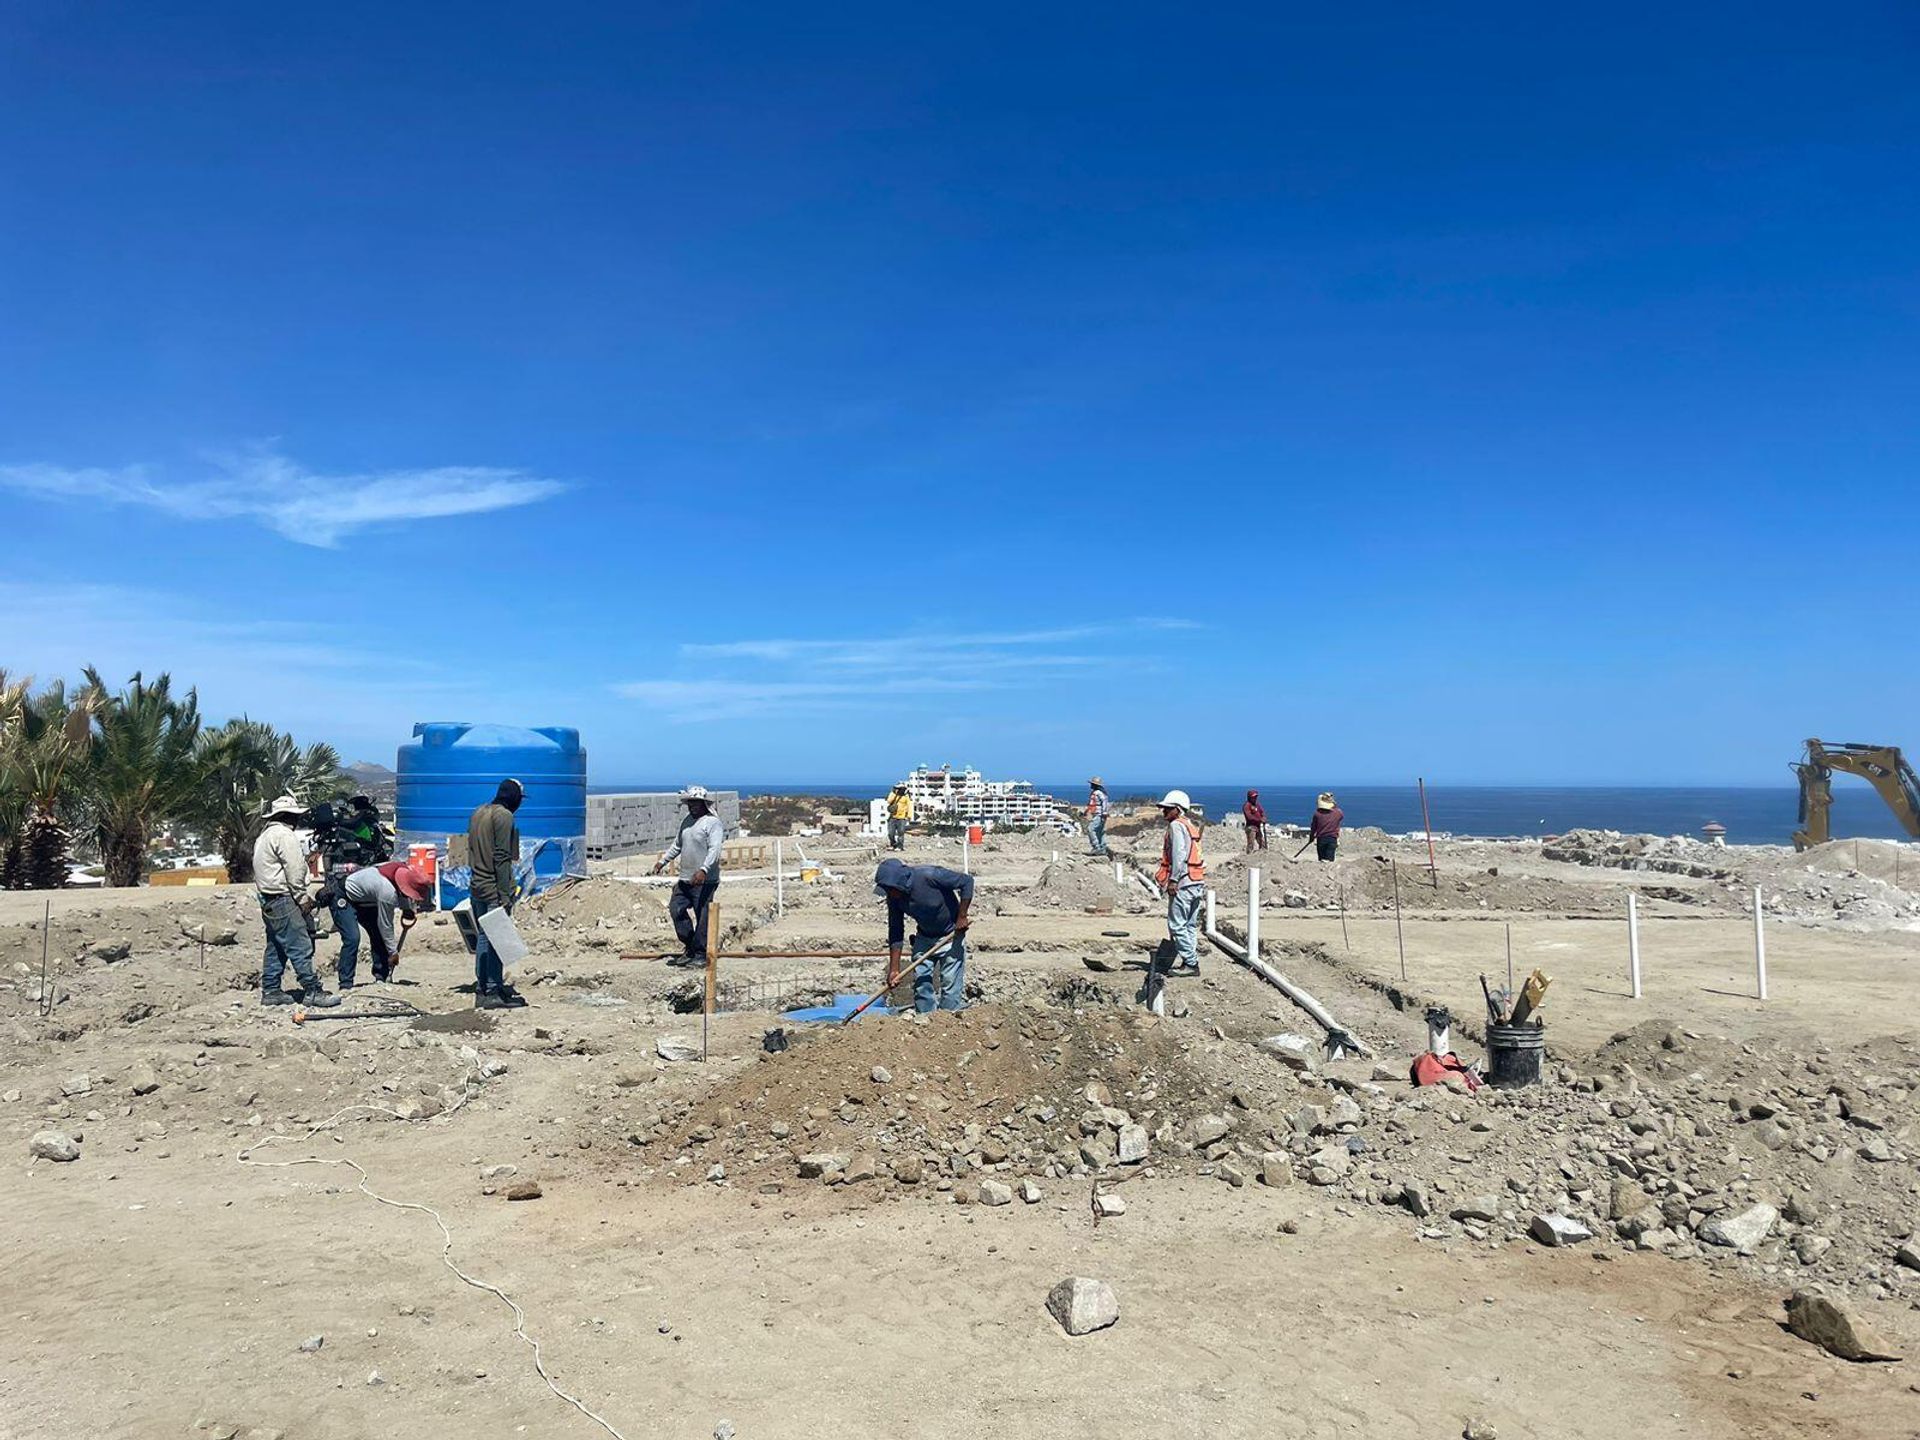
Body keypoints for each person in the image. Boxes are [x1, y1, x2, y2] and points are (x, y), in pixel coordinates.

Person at [252, 795, 339, 1008]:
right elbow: (295, 870)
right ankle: (313, 991)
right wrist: (302, 898)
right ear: (289, 817)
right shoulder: (284, 835)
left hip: (268, 899)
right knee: (299, 945)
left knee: (276, 946)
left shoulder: (264, 836)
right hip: (283, 898)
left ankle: (271, 990)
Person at [873, 856, 973, 1014]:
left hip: (950, 934)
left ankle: (948, 1022)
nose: (888, 894)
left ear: (900, 882)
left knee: (949, 981)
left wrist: (962, 916)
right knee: (921, 982)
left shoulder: (930, 876)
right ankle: (925, 1020)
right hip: (924, 937)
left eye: (889, 890)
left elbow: (967, 882)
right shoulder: (894, 899)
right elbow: (896, 930)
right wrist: (894, 969)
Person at [468, 778, 527, 1009]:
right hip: (493, 887)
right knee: (494, 939)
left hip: (477, 884)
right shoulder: (503, 816)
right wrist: (505, 894)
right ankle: (491, 990)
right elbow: (502, 857)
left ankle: (485, 987)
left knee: (485, 936)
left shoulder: (478, 812)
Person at [654, 784, 724, 968]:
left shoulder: (713, 823)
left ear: (704, 804)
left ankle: (701, 954)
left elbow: (715, 850)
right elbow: (677, 845)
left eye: (695, 803)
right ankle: (690, 946)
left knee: (703, 917)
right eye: (689, 803)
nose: (691, 807)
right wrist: (662, 861)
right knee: (676, 909)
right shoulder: (687, 822)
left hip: (705, 880)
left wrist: (704, 869)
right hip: (685, 878)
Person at [338, 860, 431, 987]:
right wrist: (393, 952)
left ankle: (381, 977)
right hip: (344, 895)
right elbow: (385, 925)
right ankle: (345, 983)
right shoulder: (387, 892)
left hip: (365, 900)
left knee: (378, 937)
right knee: (352, 938)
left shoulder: (401, 870)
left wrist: (406, 908)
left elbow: (401, 889)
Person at [1155, 789, 1207, 983]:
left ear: (1177, 809)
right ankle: (1189, 960)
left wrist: (1174, 880)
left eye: (1167, 809)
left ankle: (1191, 963)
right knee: (1190, 925)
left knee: (1177, 924)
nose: (1163, 812)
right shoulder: (1189, 825)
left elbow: (1179, 855)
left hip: (1184, 882)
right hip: (1196, 881)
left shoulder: (1177, 826)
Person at [1311, 792, 1344, 862]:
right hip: (1332, 839)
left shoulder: (1317, 814)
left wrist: (1311, 837)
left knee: (1322, 860)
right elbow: (1341, 817)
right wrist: (1334, 804)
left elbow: (1313, 827)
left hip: (1321, 839)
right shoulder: (1338, 812)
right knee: (1330, 862)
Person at [1085, 777, 1111, 857]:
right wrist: (1086, 811)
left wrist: (1104, 813)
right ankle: (1102, 848)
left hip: (1099, 814)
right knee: (1099, 831)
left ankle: (1096, 846)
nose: (1090, 785)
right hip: (1097, 814)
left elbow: (1104, 802)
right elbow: (1092, 804)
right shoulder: (1096, 792)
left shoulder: (1099, 793)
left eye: (1092, 784)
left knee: (1090, 829)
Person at [886, 783, 914, 850]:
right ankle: (893, 844)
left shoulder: (906, 796)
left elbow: (909, 806)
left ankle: (900, 846)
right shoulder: (893, 794)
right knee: (890, 833)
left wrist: (909, 816)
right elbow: (888, 801)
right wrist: (894, 793)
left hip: (902, 818)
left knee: (900, 833)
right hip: (892, 817)